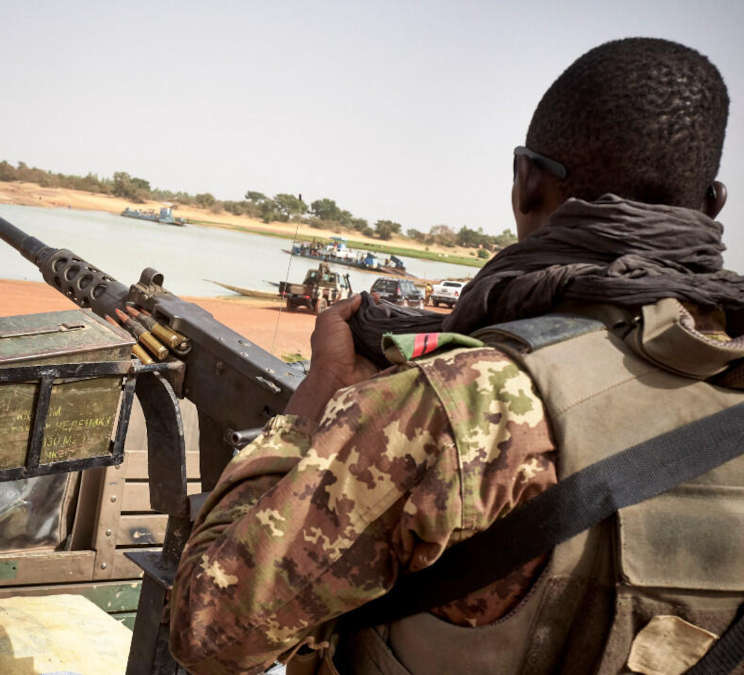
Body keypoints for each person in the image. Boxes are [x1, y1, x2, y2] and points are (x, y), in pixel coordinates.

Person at [169, 37, 744, 675]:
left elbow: (210, 630)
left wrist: (316, 398)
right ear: (712, 204)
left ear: (527, 183)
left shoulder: (464, 404)